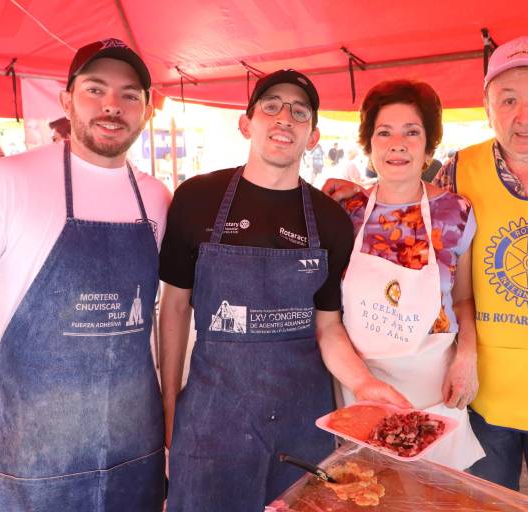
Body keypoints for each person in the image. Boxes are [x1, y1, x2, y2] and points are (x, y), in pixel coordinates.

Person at [325, 36, 528, 512]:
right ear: (487, 107)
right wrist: (356, 193)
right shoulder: (462, 170)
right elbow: (406, 199)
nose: (525, 115)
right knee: (477, 505)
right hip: (479, 395)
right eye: (508, 100)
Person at [0, 38, 172, 511]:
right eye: (95, 89)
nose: (112, 105)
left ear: (146, 109)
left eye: (129, 94)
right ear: (66, 100)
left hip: (136, 455)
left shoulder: (156, 198)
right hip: (34, 465)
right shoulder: (5, 182)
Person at [158, 69, 409, 512]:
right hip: (213, 421)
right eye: (271, 106)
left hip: (302, 423)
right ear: (246, 123)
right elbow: (175, 307)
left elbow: (328, 327)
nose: (284, 118)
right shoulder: (197, 198)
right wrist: (169, 403)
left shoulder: (330, 220)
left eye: (299, 112)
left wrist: (363, 383)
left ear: (313, 137)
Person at [337, 79, 484, 471]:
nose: (397, 144)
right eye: (384, 133)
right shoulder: (346, 211)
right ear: (369, 146)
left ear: (429, 148)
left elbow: (463, 299)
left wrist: (467, 356)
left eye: (412, 132)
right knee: (368, 487)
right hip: (361, 384)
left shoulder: (456, 213)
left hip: (432, 386)